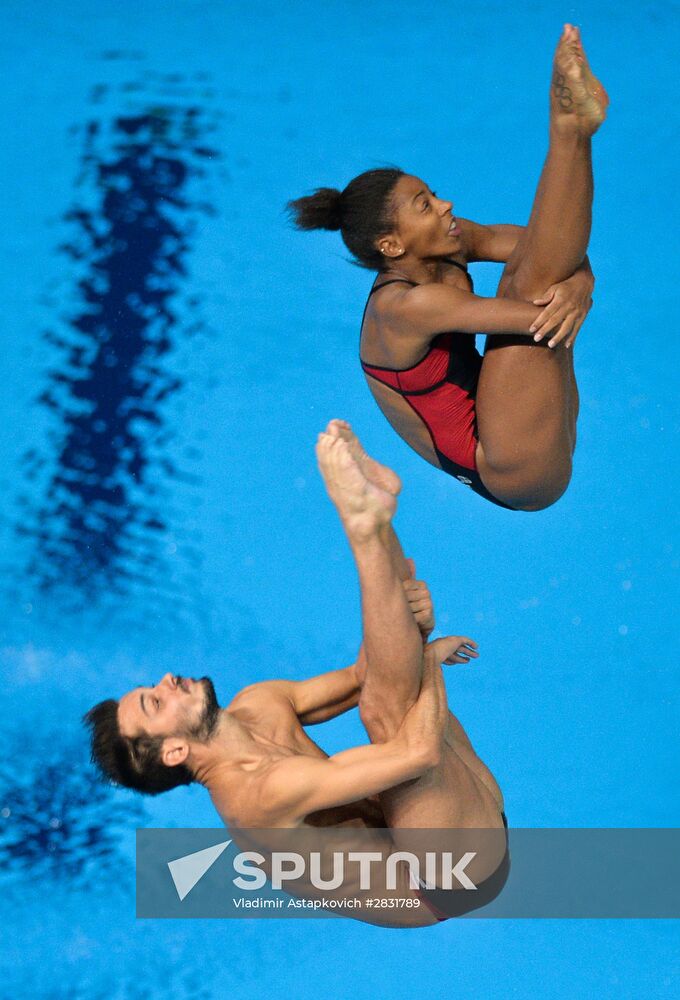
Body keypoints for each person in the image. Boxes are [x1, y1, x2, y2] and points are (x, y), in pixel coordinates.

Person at [84, 420, 507, 927]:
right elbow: (418, 753)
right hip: (443, 878)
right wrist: (427, 656)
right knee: (388, 708)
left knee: (384, 681)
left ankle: (375, 515)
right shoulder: (257, 799)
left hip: (463, 814)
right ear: (174, 752)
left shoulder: (256, 703)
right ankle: (363, 526)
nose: (168, 679)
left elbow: (364, 671)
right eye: (156, 702)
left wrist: (409, 616)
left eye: (152, 686)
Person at [288, 25, 608, 511]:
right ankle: (569, 131)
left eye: (432, 194)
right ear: (391, 245)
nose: (445, 205)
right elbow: (540, 312)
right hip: (511, 470)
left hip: (532, 427)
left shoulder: (448, 244)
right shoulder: (406, 308)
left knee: (535, 268)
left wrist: (582, 282)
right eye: (424, 205)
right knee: (530, 285)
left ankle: (574, 132)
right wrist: (577, 289)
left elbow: (543, 248)